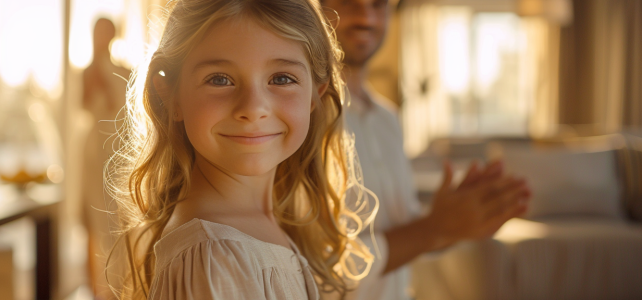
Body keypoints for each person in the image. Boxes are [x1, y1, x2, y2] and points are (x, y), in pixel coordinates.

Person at [104, 0, 378, 299]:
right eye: (220, 80)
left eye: (282, 78)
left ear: (315, 95)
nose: (252, 108)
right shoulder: (213, 256)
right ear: (170, 95)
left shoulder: (256, 228)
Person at [320, 0, 532, 299]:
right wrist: (435, 228)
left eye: (378, 4)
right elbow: (319, 263)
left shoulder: (388, 119)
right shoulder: (304, 116)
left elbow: (403, 230)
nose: (365, 16)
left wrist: (456, 224)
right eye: (348, 1)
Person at [81, 17, 129, 300]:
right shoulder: (87, 72)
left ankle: (119, 285)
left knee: (116, 219)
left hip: (116, 150)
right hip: (93, 153)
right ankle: (99, 289)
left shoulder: (122, 69)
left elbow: (121, 108)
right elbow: (84, 107)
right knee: (94, 219)